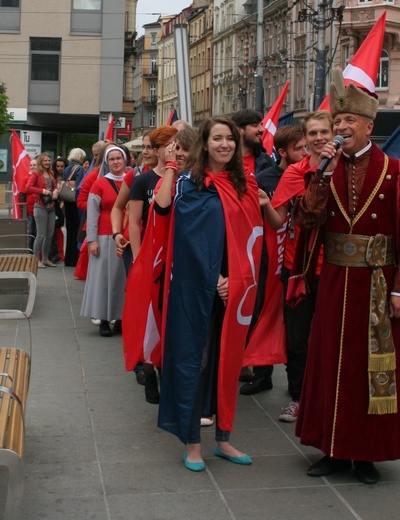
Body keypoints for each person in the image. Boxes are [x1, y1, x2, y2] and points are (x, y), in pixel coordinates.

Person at [293, 68, 400, 485]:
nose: (338, 130)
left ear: (368, 125)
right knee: (331, 364)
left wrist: (399, 289)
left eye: (347, 122)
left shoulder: (393, 169)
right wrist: (321, 171)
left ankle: (366, 455)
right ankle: (332, 451)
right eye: (335, 123)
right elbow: (306, 218)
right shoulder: (324, 169)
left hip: (377, 283)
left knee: (368, 367)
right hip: (336, 281)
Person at [158, 116, 263, 471]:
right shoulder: (190, 183)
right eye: (217, 138)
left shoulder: (244, 184)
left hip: (233, 288)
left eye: (230, 139)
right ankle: (192, 443)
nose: (225, 144)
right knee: (195, 361)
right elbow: (188, 239)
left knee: (227, 359)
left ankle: (223, 439)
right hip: (196, 286)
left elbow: (251, 238)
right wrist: (215, 276)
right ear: (205, 143)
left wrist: (234, 278)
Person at [260, 111, 333, 422]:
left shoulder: (345, 168)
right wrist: (266, 205)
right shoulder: (294, 174)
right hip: (298, 266)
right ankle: (298, 397)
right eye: (312, 134)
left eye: (323, 132)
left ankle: (330, 398)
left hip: (335, 265)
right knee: (298, 336)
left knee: (330, 335)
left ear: (333, 134)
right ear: (305, 139)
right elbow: (279, 221)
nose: (318, 139)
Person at [241, 125, 308, 396]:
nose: (305, 151)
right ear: (282, 152)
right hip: (269, 257)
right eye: (299, 148)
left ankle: (298, 383)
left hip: (296, 259)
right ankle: (262, 373)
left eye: (306, 147)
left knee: (294, 325)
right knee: (263, 314)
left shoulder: (310, 174)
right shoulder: (265, 177)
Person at [127, 125, 178, 403]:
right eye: (169, 144)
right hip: (150, 256)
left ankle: (165, 368)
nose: (174, 149)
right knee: (149, 318)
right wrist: (137, 257)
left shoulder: (181, 177)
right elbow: (135, 222)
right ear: (157, 150)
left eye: (177, 144)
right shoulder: (143, 181)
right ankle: (149, 371)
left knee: (168, 316)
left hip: (174, 255)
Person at [231, 108, 273, 382]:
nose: (261, 129)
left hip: (260, 247)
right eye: (255, 125)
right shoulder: (224, 162)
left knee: (255, 305)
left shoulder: (267, 164)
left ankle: (253, 363)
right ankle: (232, 357)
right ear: (240, 130)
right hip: (230, 244)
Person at [80, 146, 127, 337]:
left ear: (125, 161)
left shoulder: (132, 180)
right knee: (103, 279)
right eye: (112, 159)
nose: (116, 162)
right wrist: (92, 240)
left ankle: (121, 318)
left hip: (126, 236)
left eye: (119, 158)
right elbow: (92, 214)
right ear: (107, 162)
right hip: (104, 235)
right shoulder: (99, 183)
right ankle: (104, 319)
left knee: (123, 279)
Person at [25, 152, 59, 268]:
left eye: (49, 160)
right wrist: (43, 191)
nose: (47, 162)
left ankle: (45, 259)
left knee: (49, 234)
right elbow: (28, 188)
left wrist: (55, 192)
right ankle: (36, 259)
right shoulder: (36, 173)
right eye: (45, 160)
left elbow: (54, 186)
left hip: (51, 206)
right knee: (40, 234)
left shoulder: (51, 173)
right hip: (40, 206)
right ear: (40, 162)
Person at [63, 148, 86, 266]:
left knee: (70, 229)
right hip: (75, 201)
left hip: (67, 200)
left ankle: (68, 259)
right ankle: (74, 259)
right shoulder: (80, 169)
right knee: (76, 230)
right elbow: (80, 187)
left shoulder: (66, 168)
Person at [20, 157, 37, 251]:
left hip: (40, 207)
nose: (32, 166)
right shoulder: (26, 178)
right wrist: (23, 209)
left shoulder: (40, 177)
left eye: (34, 165)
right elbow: (22, 194)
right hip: (30, 209)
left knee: (39, 231)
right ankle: (30, 250)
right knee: (31, 230)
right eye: (31, 165)